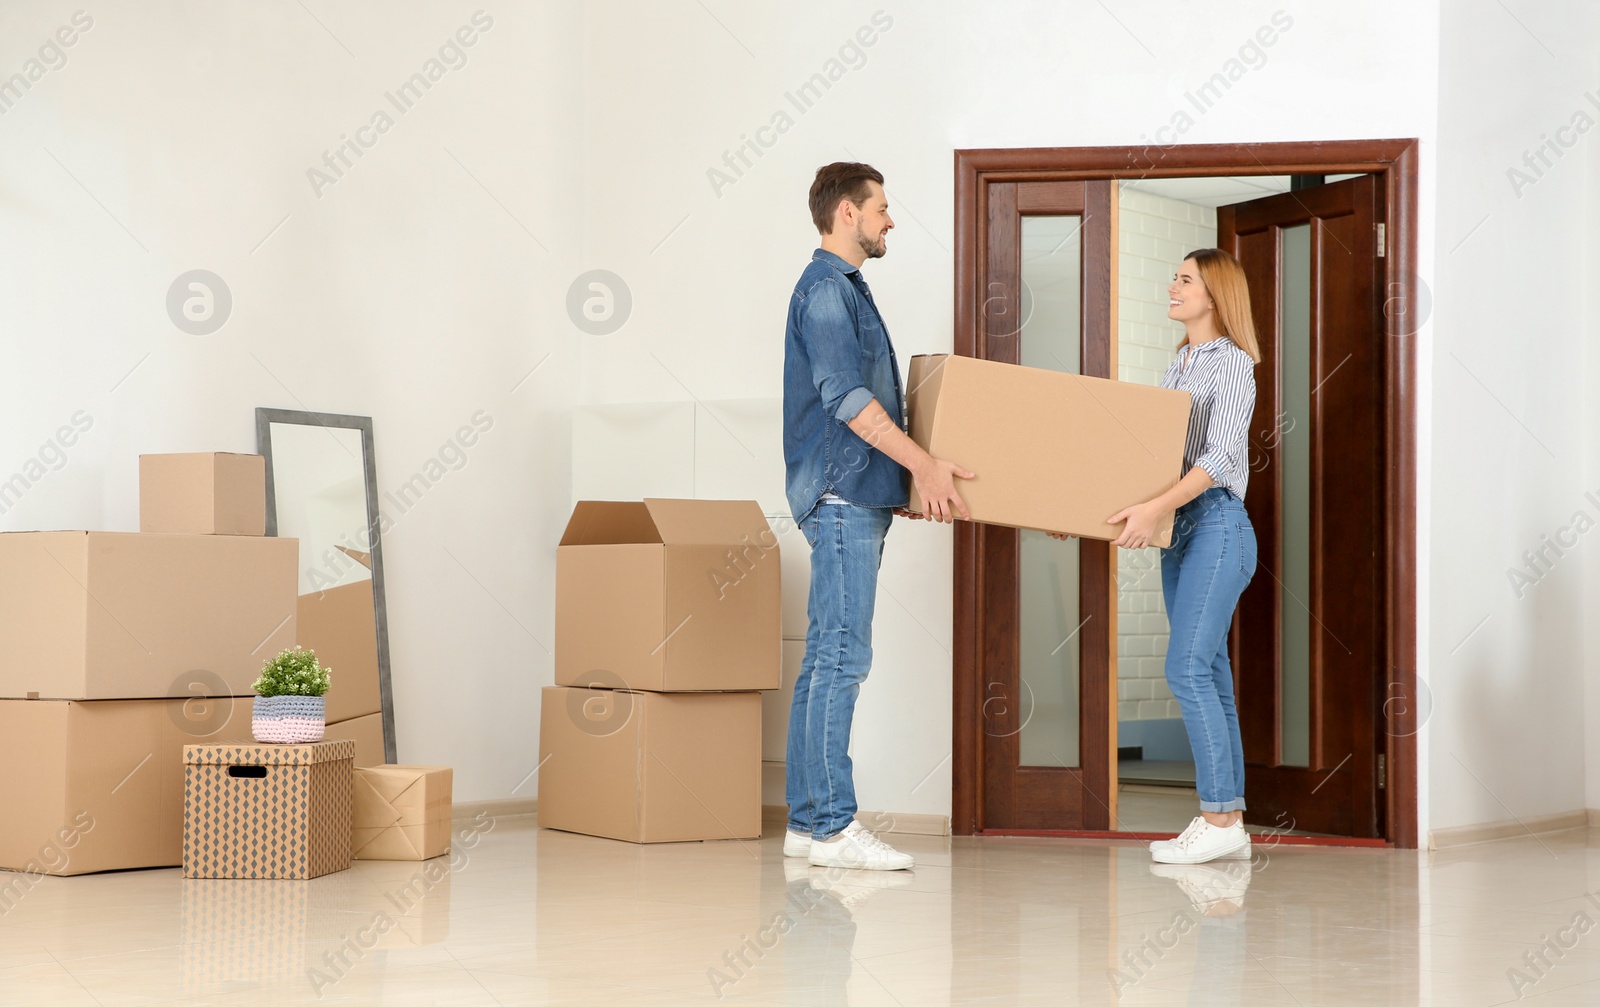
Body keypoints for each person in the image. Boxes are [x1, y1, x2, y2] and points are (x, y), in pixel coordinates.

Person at [781, 161, 972, 871]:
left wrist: (898, 480)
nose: (891, 220)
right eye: (882, 209)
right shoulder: (828, 291)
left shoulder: (843, 289)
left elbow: (863, 405)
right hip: (839, 495)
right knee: (841, 656)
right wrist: (921, 464)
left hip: (853, 491)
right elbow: (846, 397)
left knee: (823, 657)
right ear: (846, 215)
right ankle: (833, 826)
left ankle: (807, 822)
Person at [1109, 248, 1261, 865]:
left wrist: (1154, 509)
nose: (1170, 286)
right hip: (1182, 529)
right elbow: (1155, 460)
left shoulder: (1232, 365)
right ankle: (1230, 821)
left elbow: (1221, 456)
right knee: (1209, 672)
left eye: (1184, 279)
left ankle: (1217, 817)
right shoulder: (1180, 366)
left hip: (1219, 527)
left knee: (1187, 668)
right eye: (1173, 276)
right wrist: (1094, 510)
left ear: (1215, 294)